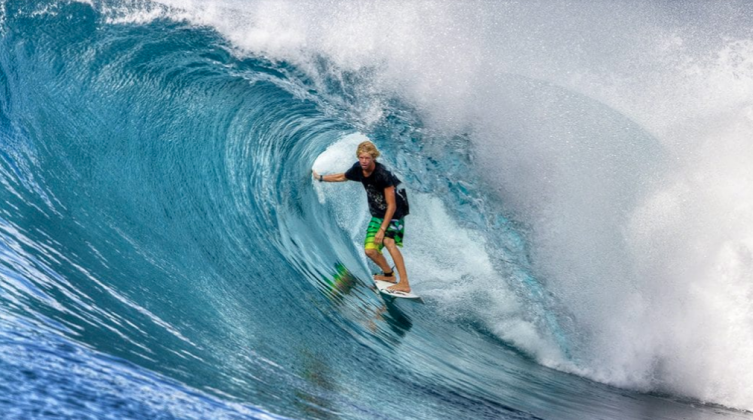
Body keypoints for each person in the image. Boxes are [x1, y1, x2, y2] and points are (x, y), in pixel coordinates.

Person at [313, 140, 412, 293]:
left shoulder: (382, 174)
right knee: (370, 251)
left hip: (396, 211)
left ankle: (404, 283)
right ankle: (389, 275)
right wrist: (320, 178)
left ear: (373, 158)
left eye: (367, 158)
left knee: (388, 242)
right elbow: (342, 177)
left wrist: (382, 229)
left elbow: (392, 205)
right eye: (361, 157)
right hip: (379, 213)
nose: (364, 161)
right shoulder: (358, 169)